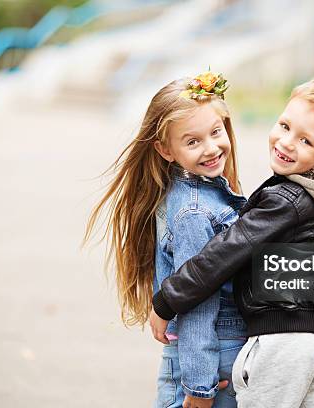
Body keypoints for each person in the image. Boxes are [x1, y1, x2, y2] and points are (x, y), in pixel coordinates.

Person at [150, 71, 314, 407]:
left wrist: (166, 300)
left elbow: (226, 252)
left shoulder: (288, 200)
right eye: (285, 126)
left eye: (306, 140)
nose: (287, 142)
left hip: (284, 343)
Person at [83, 71, 247, 408]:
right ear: (165, 150)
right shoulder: (195, 213)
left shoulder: (197, 191)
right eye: (192, 141)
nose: (211, 147)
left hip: (211, 349)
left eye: (216, 132)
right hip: (214, 353)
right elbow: (197, 301)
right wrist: (201, 390)